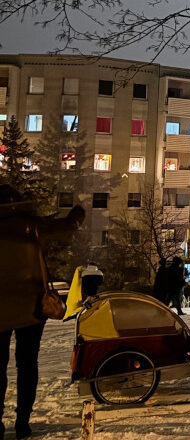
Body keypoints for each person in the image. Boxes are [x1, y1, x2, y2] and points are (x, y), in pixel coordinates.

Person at [0, 185, 83, 439]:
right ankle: (23, 422)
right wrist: (78, 210)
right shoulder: (33, 226)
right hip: (31, 308)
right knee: (27, 364)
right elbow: (68, 227)